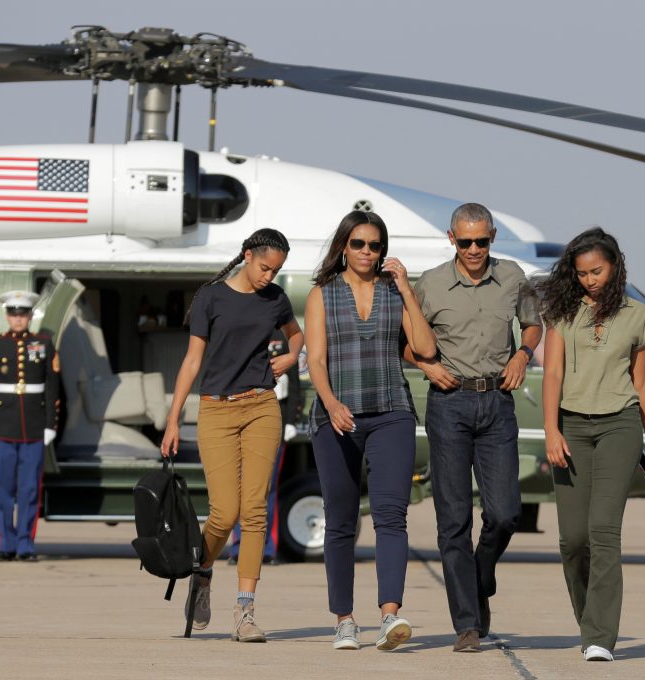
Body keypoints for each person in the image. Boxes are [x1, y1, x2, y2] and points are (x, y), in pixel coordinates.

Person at [408, 202, 542, 652]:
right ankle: (467, 623)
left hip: (497, 401)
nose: (473, 249)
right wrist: (428, 370)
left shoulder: (512, 276)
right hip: (448, 403)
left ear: (492, 237)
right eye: (464, 241)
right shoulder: (429, 284)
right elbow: (403, 343)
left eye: (481, 241)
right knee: (453, 519)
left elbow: (532, 324)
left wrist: (523, 354)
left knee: (505, 513)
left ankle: (481, 574)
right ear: (451, 239)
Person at [160, 228, 304, 643]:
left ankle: (245, 610)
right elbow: (191, 361)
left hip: (261, 406)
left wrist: (292, 356)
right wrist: (173, 420)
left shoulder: (275, 299)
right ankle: (202, 576)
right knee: (223, 512)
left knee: (255, 509)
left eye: (276, 270)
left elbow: (296, 335)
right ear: (247, 256)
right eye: (264, 267)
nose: (269, 276)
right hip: (216, 410)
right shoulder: (211, 297)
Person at [305, 210, 436, 651]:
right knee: (340, 522)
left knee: (391, 517)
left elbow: (424, 348)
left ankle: (389, 617)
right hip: (336, 416)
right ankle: (345, 620)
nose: (367, 252)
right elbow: (316, 362)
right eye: (359, 243)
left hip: (392, 413)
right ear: (345, 245)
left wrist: (406, 290)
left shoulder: (393, 291)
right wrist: (331, 402)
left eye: (375, 245)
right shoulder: (322, 294)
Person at [538, 227, 645, 662]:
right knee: (573, 539)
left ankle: (600, 637)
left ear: (614, 267)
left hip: (620, 427)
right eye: (583, 273)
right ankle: (589, 620)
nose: (590, 280)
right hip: (571, 427)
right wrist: (551, 430)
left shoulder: (636, 315)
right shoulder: (563, 314)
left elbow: (641, 382)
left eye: (597, 271)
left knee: (604, 531)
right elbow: (552, 375)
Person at [0, 290, 60, 562]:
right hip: (2, 427)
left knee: (30, 491)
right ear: (7, 316)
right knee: (3, 491)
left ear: (30, 316)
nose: (18, 318)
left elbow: (53, 388)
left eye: (23, 313)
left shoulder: (44, 343)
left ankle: (25, 545)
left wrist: (50, 423)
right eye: (13, 313)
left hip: (34, 427)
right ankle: (5, 545)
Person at [228, 331, 302, 565]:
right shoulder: (241, 334)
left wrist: (290, 420)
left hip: (274, 424)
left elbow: (294, 386)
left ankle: (267, 548)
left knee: (267, 490)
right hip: (244, 423)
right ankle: (239, 547)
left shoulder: (282, 337)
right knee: (241, 490)